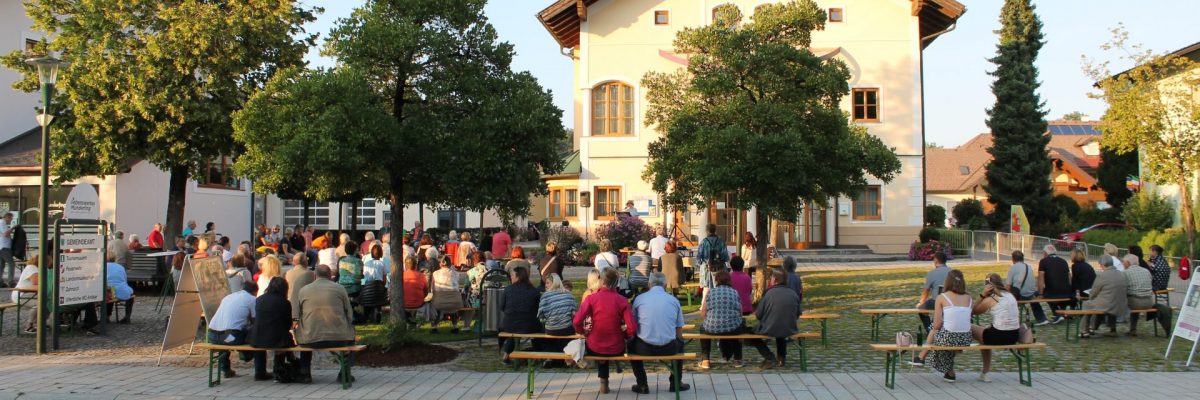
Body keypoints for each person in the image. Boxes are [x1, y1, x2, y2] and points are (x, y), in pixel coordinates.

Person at [572, 268, 637, 394]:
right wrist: (624, 335)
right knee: (608, 343)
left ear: (601, 281)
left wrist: (584, 332)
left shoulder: (591, 299)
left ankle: (603, 382)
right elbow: (632, 328)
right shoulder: (622, 300)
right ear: (616, 282)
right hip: (616, 346)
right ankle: (606, 381)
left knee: (599, 345)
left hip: (595, 344)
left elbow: (576, 321)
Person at [628, 271, 688, 394]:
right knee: (680, 343)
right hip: (669, 347)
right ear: (665, 285)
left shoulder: (639, 299)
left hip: (643, 347)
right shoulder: (673, 300)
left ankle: (642, 383)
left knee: (630, 345)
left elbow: (633, 325)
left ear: (649, 284)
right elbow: (679, 330)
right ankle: (675, 382)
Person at [294, 265, 356, 384]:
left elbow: (299, 313)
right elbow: (349, 314)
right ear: (330, 276)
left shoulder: (304, 290)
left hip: (311, 337)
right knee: (351, 334)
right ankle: (345, 372)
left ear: (315, 276)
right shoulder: (340, 288)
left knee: (305, 334)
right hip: (339, 337)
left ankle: (305, 372)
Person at [911, 269, 972, 382]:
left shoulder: (942, 297)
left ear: (947, 282)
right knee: (941, 335)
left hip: (950, 337)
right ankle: (949, 373)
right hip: (965, 338)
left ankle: (921, 357)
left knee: (935, 329)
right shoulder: (968, 297)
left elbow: (937, 325)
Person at [746, 269, 801, 369]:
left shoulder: (768, 293)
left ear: (774, 279)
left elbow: (759, 314)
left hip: (770, 327)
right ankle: (781, 358)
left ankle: (769, 357)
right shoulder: (793, 293)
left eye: (771, 277)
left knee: (751, 335)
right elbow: (798, 313)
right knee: (781, 332)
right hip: (789, 327)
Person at [971, 273, 1020, 382]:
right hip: (1014, 335)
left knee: (971, 328)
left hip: (999, 336)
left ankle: (985, 372)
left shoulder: (994, 298)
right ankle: (984, 373)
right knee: (985, 331)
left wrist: (982, 295)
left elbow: (974, 311)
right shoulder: (1010, 295)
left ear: (988, 286)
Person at [208, 281, 258, 378]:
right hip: (229, 338)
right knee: (250, 330)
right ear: (255, 292)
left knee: (225, 339)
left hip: (212, 336)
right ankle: (246, 354)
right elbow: (255, 321)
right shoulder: (252, 299)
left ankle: (226, 369)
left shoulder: (228, 297)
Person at [698, 270, 745, 370]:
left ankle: (705, 360)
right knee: (739, 327)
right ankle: (738, 359)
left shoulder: (710, 292)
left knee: (703, 329)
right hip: (732, 328)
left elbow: (703, 313)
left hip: (711, 328)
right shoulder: (734, 292)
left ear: (716, 280)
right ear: (729, 280)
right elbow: (740, 313)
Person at [251, 277, 295, 382]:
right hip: (276, 339)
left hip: (257, 337)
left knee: (259, 341)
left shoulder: (259, 299)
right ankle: (278, 370)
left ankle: (259, 372)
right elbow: (288, 324)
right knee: (283, 340)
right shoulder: (285, 303)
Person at [499, 266, 543, 362]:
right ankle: (539, 352)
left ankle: (506, 355)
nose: (511, 277)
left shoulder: (508, 289)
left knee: (514, 330)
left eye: (512, 275)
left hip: (509, 324)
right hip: (529, 325)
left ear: (518, 276)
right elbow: (539, 309)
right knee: (539, 329)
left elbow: (502, 307)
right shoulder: (534, 291)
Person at [1081, 255, 1128, 338]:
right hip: (1121, 304)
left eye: (1100, 265)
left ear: (1103, 265)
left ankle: (1085, 330)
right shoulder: (1122, 274)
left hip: (1108, 305)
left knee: (1087, 304)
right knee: (1107, 303)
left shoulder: (1102, 275)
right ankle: (1111, 329)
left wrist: (1091, 297)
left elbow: (1094, 292)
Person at [537, 274, 578, 358]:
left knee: (548, 331)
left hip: (551, 329)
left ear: (554, 283)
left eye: (548, 283)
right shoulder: (569, 294)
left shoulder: (545, 296)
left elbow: (541, 316)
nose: (545, 285)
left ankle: (551, 357)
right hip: (567, 328)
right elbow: (574, 313)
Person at [1003, 250, 1046, 325]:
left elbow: (1008, 286)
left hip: (1021, 295)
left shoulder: (1013, 268)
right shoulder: (1028, 267)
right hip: (1031, 294)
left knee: (1007, 301)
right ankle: (1042, 318)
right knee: (1033, 300)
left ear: (1013, 259)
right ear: (1022, 258)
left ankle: (1009, 320)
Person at [1037, 245, 1074, 323]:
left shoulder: (1043, 261)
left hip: (1052, 292)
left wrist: (1040, 293)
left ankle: (1057, 313)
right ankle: (1061, 312)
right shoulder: (1063, 261)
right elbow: (1069, 277)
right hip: (1066, 292)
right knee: (1059, 294)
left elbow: (1041, 279)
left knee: (1044, 294)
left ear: (1045, 253)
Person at [918, 252, 952, 330]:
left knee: (920, 308)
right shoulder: (953, 272)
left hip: (936, 301)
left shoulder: (931, 273)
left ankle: (929, 329)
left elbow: (925, 292)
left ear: (936, 261)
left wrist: (921, 302)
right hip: (951, 301)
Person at [1124, 253, 1155, 336]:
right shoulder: (1146, 271)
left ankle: (1113, 328)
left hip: (1134, 302)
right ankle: (1133, 329)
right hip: (1149, 302)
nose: (1123, 264)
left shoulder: (1126, 272)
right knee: (1136, 295)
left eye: (1124, 262)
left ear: (1128, 263)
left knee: (1117, 300)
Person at [431, 255, 463, 333]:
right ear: (450, 264)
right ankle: (455, 326)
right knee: (453, 308)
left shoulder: (435, 273)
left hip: (439, 302)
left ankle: (434, 327)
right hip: (456, 302)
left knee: (436, 304)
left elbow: (432, 288)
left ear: (440, 264)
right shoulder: (456, 273)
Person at [696, 224, 730, 293]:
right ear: (715, 230)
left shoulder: (704, 242)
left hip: (707, 269)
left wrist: (701, 264)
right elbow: (726, 257)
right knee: (720, 288)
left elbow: (699, 258)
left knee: (707, 290)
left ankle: (706, 303)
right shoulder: (721, 241)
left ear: (707, 231)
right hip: (720, 269)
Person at [105, 252, 135, 323]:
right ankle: (127, 316)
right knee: (130, 294)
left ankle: (107, 316)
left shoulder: (103, 266)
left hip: (110, 292)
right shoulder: (120, 267)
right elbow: (125, 280)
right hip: (121, 291)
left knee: (110, 291)